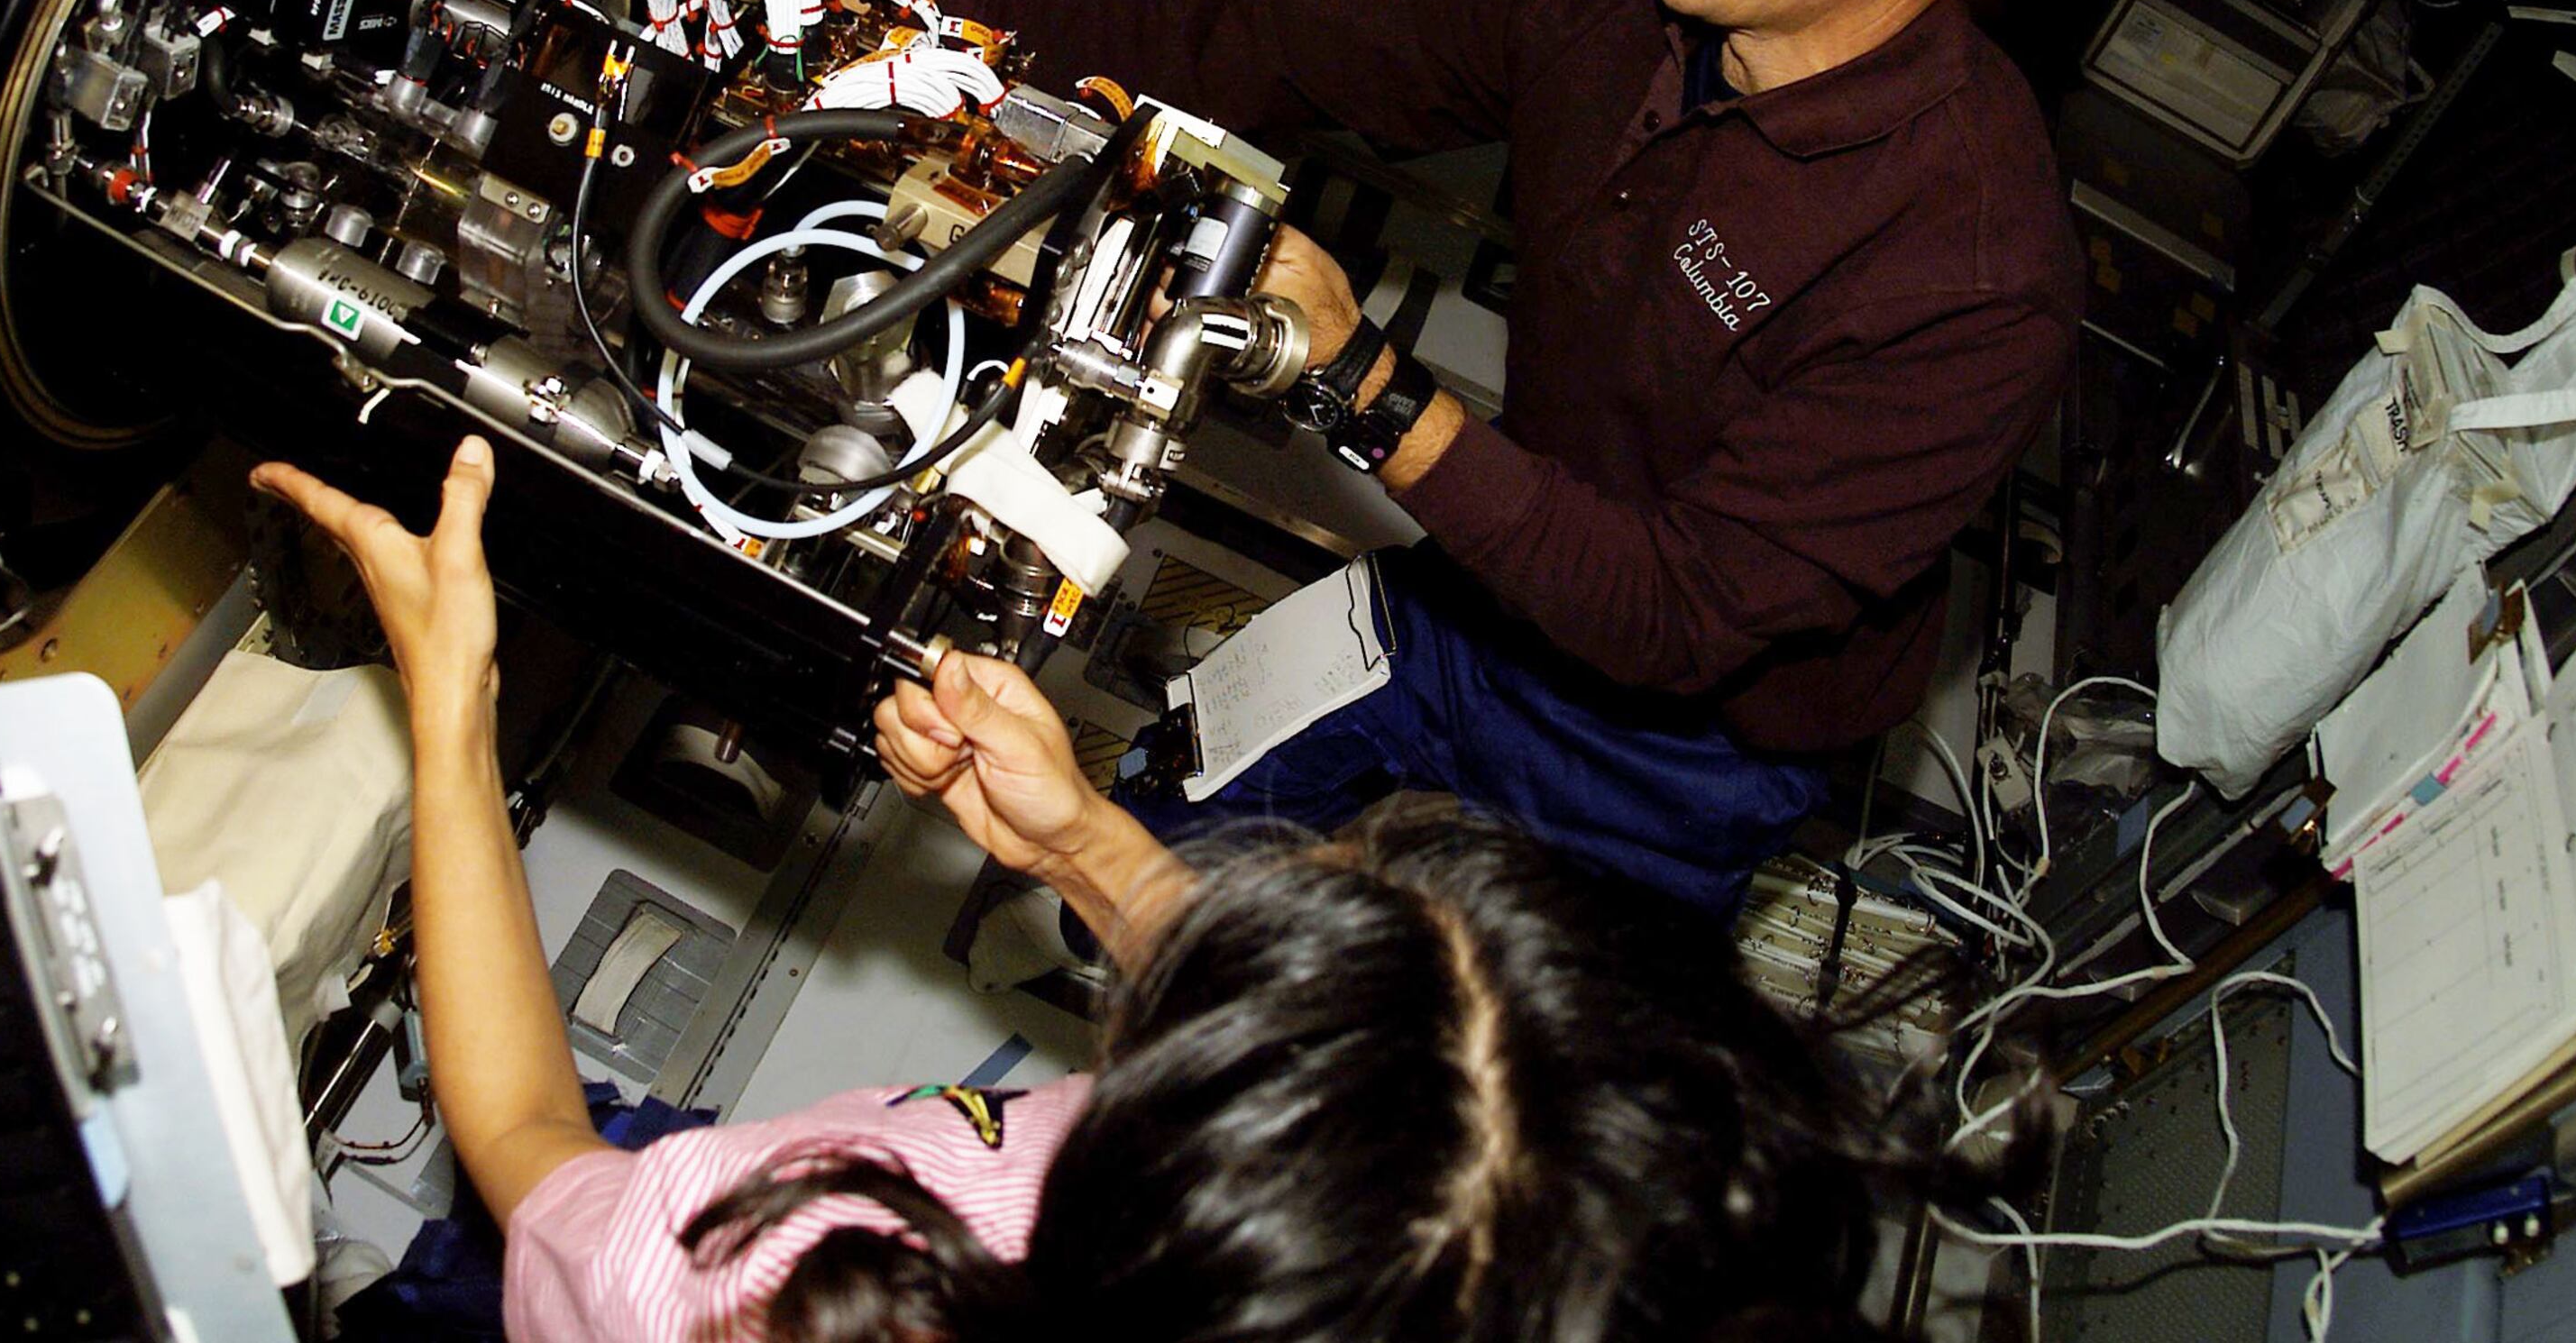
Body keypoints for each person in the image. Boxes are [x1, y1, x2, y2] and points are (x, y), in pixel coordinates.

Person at [607, 0, 2088, 919]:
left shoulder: (1975, 276)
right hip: (1482, 576)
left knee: (1420, 1065)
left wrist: (1361, 380)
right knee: (1145, 848)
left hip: (1670, 754)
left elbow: (1676, 611)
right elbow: (1240, 30)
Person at [252, 430, 1973, 1342]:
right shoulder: (1407, 1230)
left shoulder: (787, 1294)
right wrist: (1077, 836)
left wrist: (452, 705)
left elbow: (523, 1135)